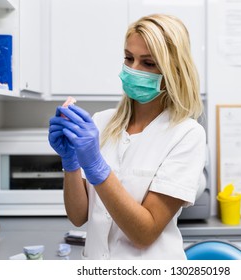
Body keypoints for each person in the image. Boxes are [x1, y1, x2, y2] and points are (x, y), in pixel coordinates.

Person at [48, 14, 206, 260]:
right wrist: (70, 161)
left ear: (173, 70)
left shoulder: (186, 134)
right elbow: (78, 216)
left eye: (148, 63)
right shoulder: (101, 122)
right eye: (129, 58)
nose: (133, 70)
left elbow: (144, 233)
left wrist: (96, 167)